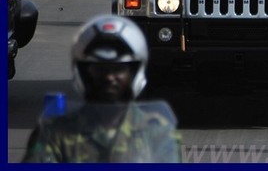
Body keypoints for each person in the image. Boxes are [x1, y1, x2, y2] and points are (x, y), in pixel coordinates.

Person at [23, 15, 181, 162]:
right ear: (83, 73)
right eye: (100, 69)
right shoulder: (56, 133)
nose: (109, 77)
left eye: (118, 69)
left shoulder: (157, 130)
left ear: (135, 72)